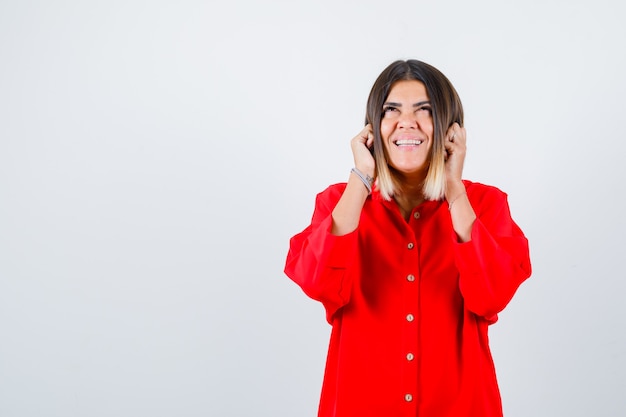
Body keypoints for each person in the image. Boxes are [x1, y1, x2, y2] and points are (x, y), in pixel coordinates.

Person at [284, 59, 532, 417]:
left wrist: (453, 190)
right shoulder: (339, 203)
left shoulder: (485, 205)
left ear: (451, 129)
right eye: (392, 110)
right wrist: (361, 178)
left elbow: (491, 296)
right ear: (372, 128)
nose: (407, 121)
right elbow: (317, 282)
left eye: (425, 110)